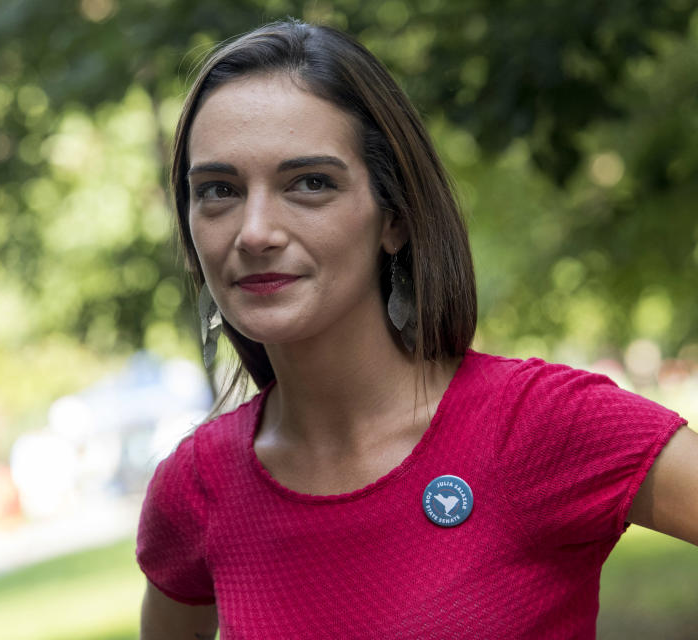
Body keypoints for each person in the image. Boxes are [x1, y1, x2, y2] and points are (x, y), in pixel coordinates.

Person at [136, 19, 698, 639]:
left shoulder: (538, 425)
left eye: (310, 184)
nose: (255, 231)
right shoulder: (194, 488)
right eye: (218, 190)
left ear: (394, 219)